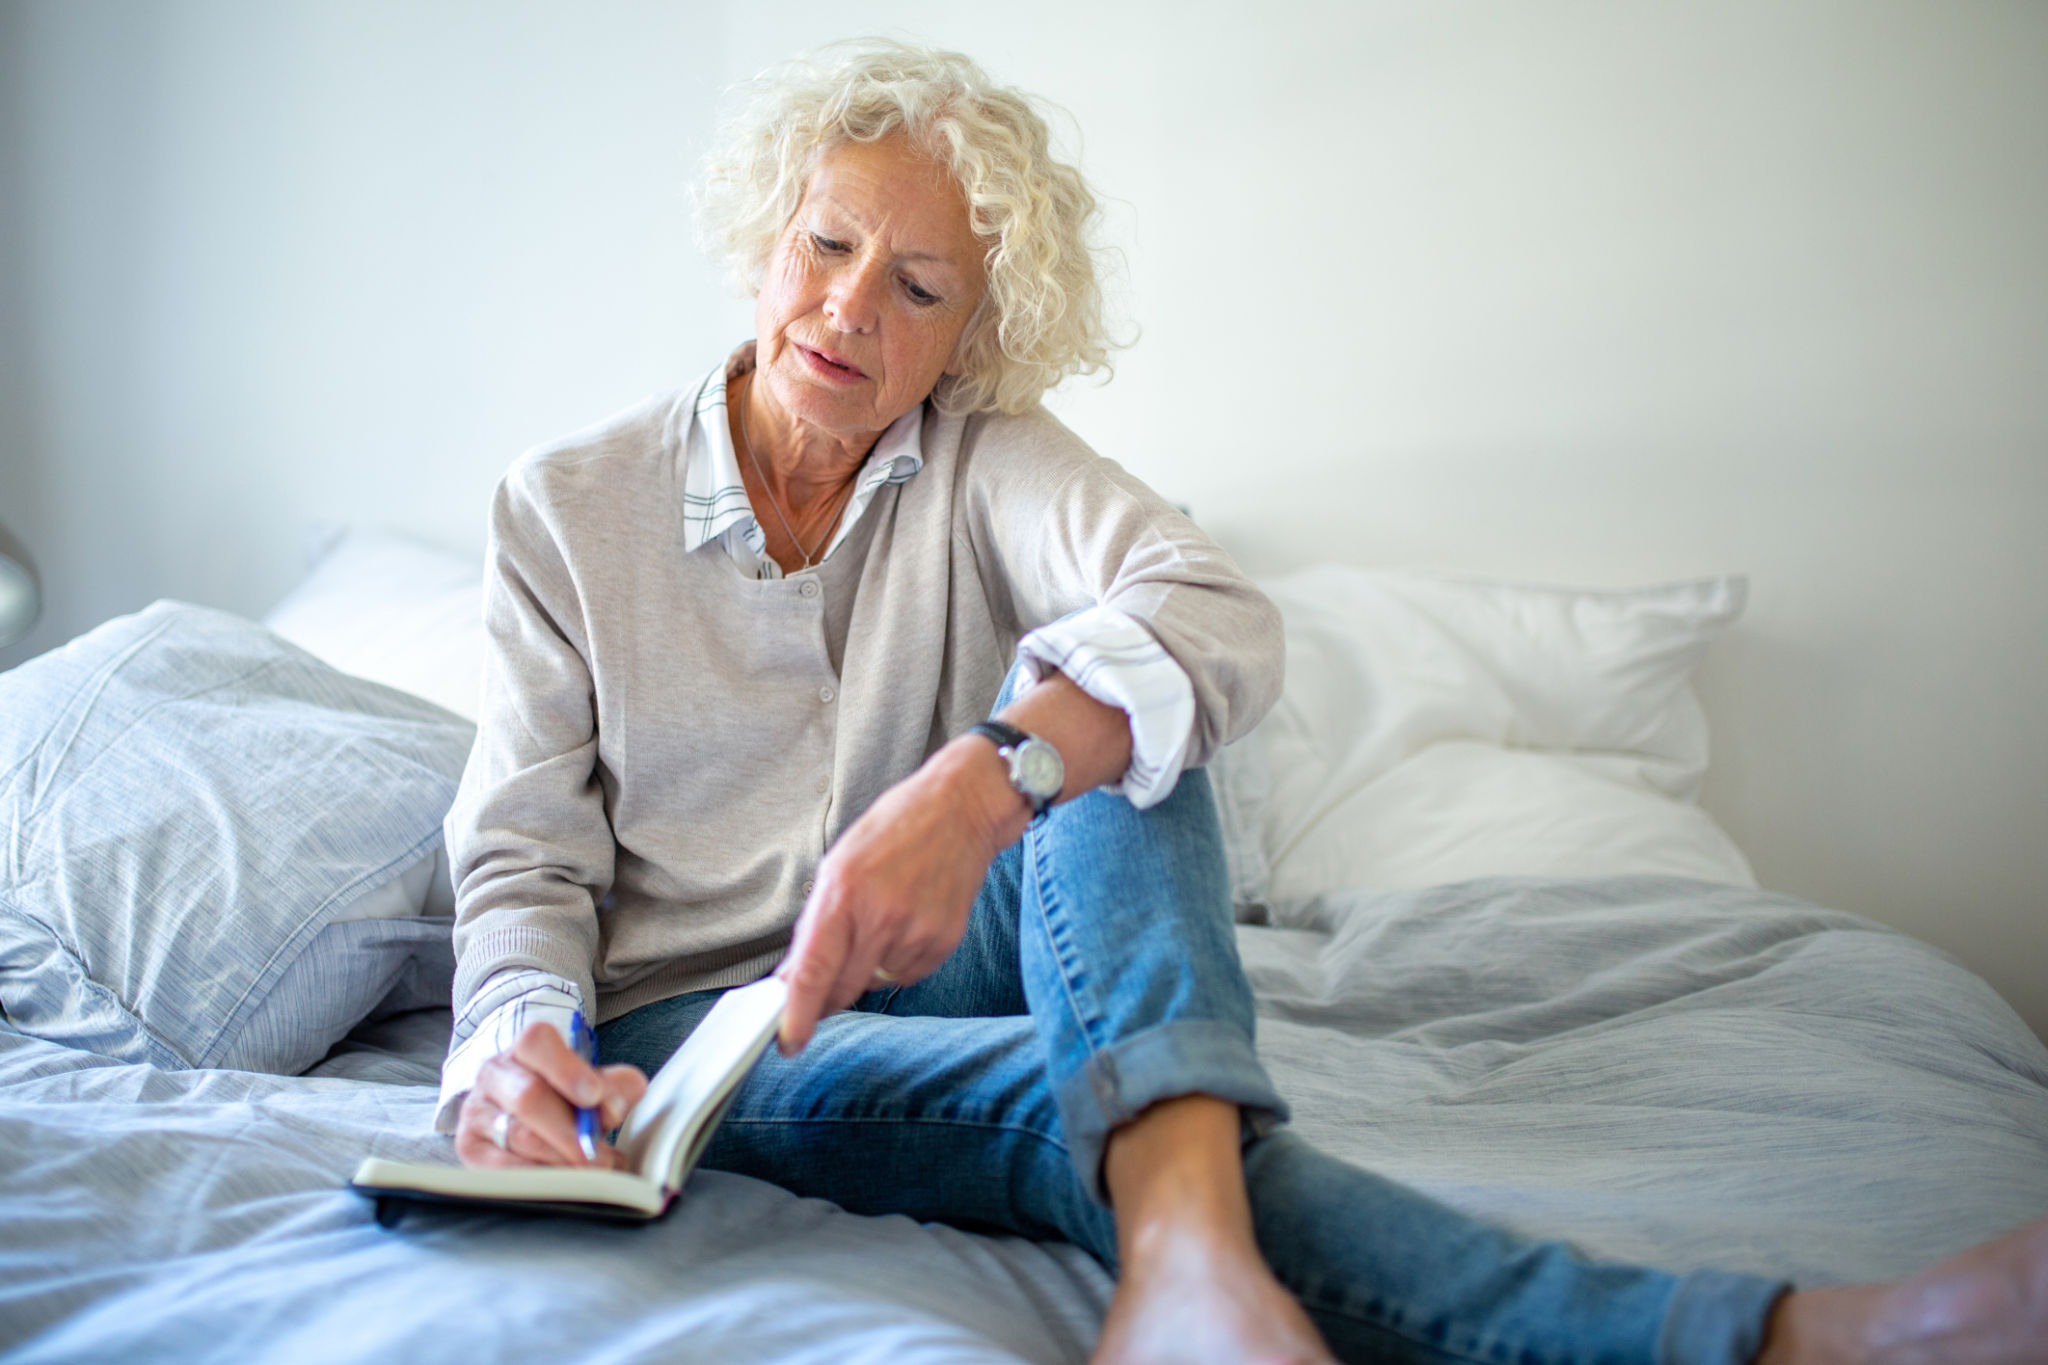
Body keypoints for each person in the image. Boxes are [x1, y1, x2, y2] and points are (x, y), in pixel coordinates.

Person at [434, 38, 2047, 1365]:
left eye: (922, 287)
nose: (855, 308)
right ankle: (1786, 1338)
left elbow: (1209, 616)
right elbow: (519, 859)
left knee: (1110, 714)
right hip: (710, 1020)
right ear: (766, 237)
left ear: (970, 339)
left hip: (938, 939)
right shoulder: (565, 506)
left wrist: (984, 779)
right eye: (830, 244)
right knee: (1090, 1100)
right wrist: (518, 1044)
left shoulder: (990, 468)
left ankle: (1187, 1268)